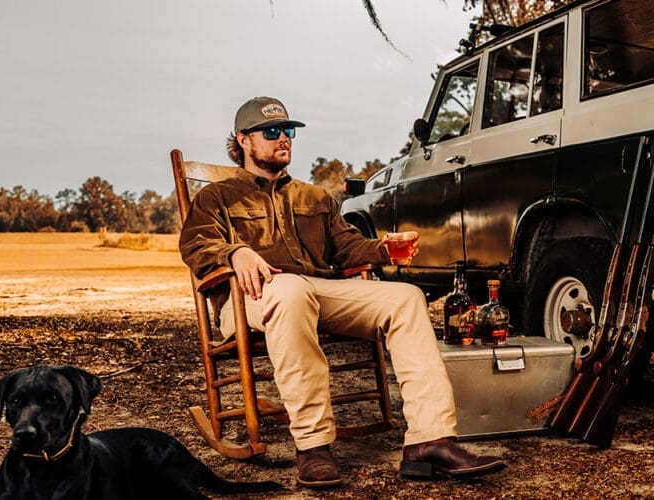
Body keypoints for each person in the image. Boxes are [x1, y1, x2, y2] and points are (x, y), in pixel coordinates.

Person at [179, 96, 504, 488]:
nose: (284, 138)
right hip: (250, 296)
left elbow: (347, 247)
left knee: (406, 299)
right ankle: (313, 445)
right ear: (244, 140)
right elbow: (196, 246)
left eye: (288, 130)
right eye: (272, 132)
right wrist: (236, 252)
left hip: (316, 290)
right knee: (290, 291)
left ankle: (430, 440)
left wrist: (384, 248)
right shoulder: (217, 197)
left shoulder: (314, 197)